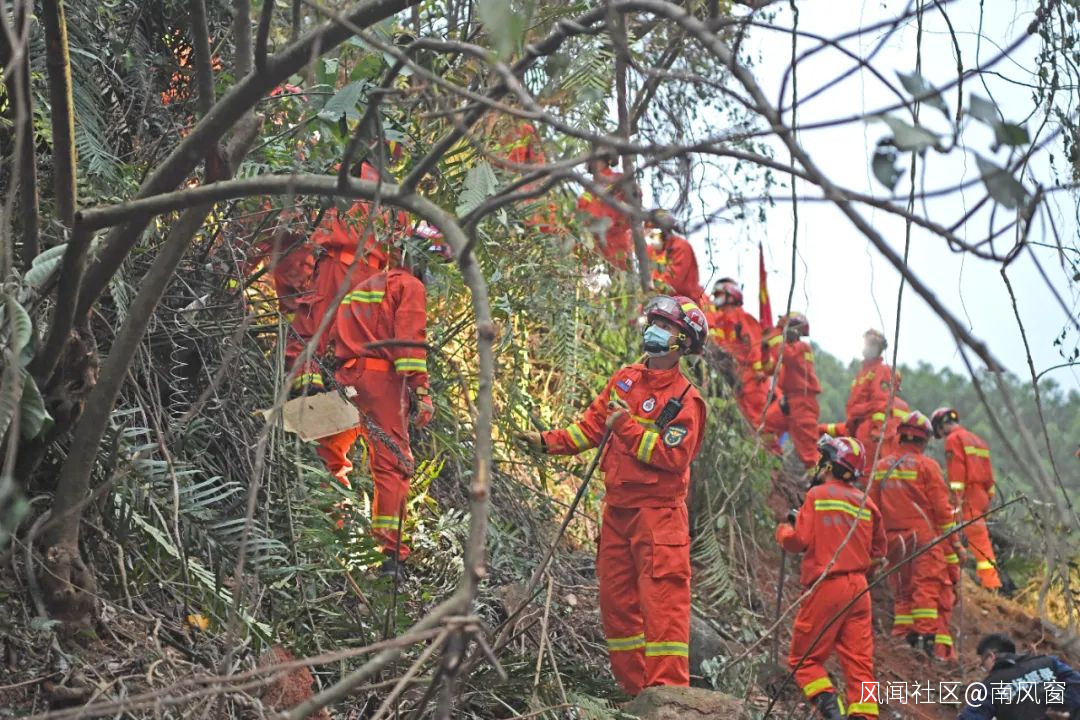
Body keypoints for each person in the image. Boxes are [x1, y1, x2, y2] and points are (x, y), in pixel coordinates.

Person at [518, 295, 709, 696]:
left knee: (663, 612)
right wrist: (546, 442)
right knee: (617, 608)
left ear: (684, 341)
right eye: (654, 322)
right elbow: (590, 428)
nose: (655, 330)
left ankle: (669, 700)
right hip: (618, 513)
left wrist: (625, 427)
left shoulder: (686, 400)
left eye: (666, 327)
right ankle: (634, 695)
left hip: (658, 519)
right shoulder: (626, 378)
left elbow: (672, 457)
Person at [305, 233, 446, 574]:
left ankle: (330, 531)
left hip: (347, 379)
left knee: (330, 453)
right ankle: (389, 554)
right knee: (392, 465)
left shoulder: (364, 287)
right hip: (383, 383)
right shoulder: (410, 286)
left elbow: (333, 334)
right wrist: (421, 391)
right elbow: (409, 344)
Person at [776, 435, 886, 720]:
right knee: (860, 665)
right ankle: (865, 715)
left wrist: (783, 531)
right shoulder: (867, 504)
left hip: (828, 586)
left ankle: (830, 708)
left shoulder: (818, 495)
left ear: (830, 464)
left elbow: (798, 541)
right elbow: (878, 552)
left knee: (803, 659)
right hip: (860, 590)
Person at [869, 410, 959, 658]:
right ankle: (924, 643)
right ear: (924, 439)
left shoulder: (881, 467)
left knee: (902, 590)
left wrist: (875, 548)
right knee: (926, 588)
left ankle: (902, 636)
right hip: (923, 541)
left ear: (900, 435)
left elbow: (872, 509)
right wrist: (955, 545)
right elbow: (943, 512)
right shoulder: (927, 466)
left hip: (893, 542)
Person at [931, 407, 1004, 591]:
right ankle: (986, 581)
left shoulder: (953, 439)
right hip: (981, 496)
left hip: (967, 497)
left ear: (941, 425)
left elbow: (957, 474)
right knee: (978, 539)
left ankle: (990, 584)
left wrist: (956, 502)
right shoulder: (978, 440)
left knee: (975, 542)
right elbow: (989, 475)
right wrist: (987, 499)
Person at [958, 633, 1080, 719]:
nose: (985, 669)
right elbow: (1076, 681)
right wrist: (1067, 707)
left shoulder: (991, 685)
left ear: (991, 656)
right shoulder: (1049, 662)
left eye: (983, 664)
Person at [762, 312, 822, 469]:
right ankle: (775, 462)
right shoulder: (788, 350)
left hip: (803, 403)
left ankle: (820, 480)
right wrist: (765, 349)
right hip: (789, 401)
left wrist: (775, 334)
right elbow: (769, 369)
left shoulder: (802, 348)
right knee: (766, 426)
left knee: (809, 455)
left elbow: (785, 354)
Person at [707, 279, 767, 425]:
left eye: (719, 294)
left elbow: (754, 344)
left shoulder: (743, 318)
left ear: (731, 296)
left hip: (751, 377)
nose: (716, 298)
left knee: (754, 419)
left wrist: (758, 369)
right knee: (740, 417)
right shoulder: (719, 319)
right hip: (733, 374)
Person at [841, 330, 898, 457]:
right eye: (867, 343)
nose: (868, 347)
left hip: (869, 430)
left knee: (866, 466)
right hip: (855, 427)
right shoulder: (862, 374)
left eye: (872, 344)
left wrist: (878, 430)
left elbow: (882, 403)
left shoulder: (881, 370)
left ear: (879, 348)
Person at [577, 151, 633, 270]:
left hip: (616, 242)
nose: (594, 164)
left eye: (598, 160)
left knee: (621, 274)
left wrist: (616, 226)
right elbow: (581, 215)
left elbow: (633, 206)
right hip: (595, 246)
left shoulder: (618, 179)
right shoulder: (588, 190)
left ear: (606, 161)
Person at [645, 211, 700, 299]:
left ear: (665, 233)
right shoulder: (650, 250)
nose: (651, 240)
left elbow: (672, 281)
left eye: (654, 235)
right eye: (649, 235)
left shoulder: (681, 247)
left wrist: (651, 289)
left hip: (683, 300)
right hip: (658, 299)